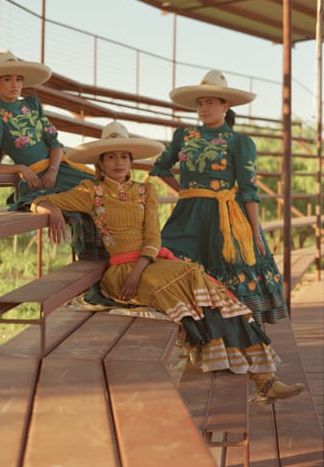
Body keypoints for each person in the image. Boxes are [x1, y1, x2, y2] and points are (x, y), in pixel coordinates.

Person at [30, 120, 303, 404]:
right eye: (111, 157)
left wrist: (141, 267)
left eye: (124, 156)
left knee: (204, 283)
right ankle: (250, 378)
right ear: (101, 162)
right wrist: (51, 210)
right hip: (121, 270)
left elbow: (152, 234)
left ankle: (265, 379)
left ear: (131, 161)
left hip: (148, 264)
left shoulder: (145, 191)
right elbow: (37, 199)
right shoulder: (90, 191)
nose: (118, 162)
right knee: (186, 290)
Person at [149, 70, 287, 326]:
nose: (203, 108)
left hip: (228, 220)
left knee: (229, 277)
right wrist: (187, 193)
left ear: (226, 105)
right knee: (166, 260)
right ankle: (195, 336)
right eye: (200, 103)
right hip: (187, 218)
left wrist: (256, 234)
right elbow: (160, 168)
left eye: (210, 102)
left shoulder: (240, 142)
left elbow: (248, 191)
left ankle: (237, 340)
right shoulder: (184, 136)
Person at [0, 49, 105, 258]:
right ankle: (93, 255)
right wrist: (20, 167)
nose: (15, 85)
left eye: (19, 79)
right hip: (35, 177)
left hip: (58, 169)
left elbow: (55, 144)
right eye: (8, 79)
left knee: (101, 190)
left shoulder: (32, 105)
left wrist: (53, 171)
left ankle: (112, 252)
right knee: (76, 199)